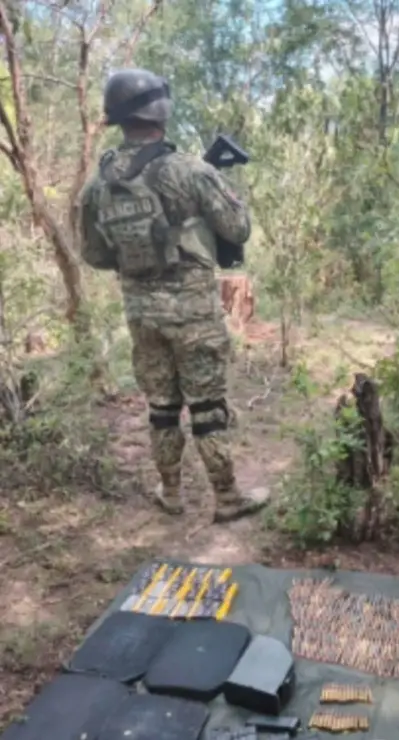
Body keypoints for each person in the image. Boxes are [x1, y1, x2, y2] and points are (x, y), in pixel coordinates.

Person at [80, 68, 269, 523]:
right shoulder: (190, 170)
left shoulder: (97, 185)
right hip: (193, 313)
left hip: (140, 313)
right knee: (207, 407)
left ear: (118, 118)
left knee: (162, 408)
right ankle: (227, 498)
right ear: (161, 113)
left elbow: (95, 255)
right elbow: (238, 229)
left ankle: (170, 492)